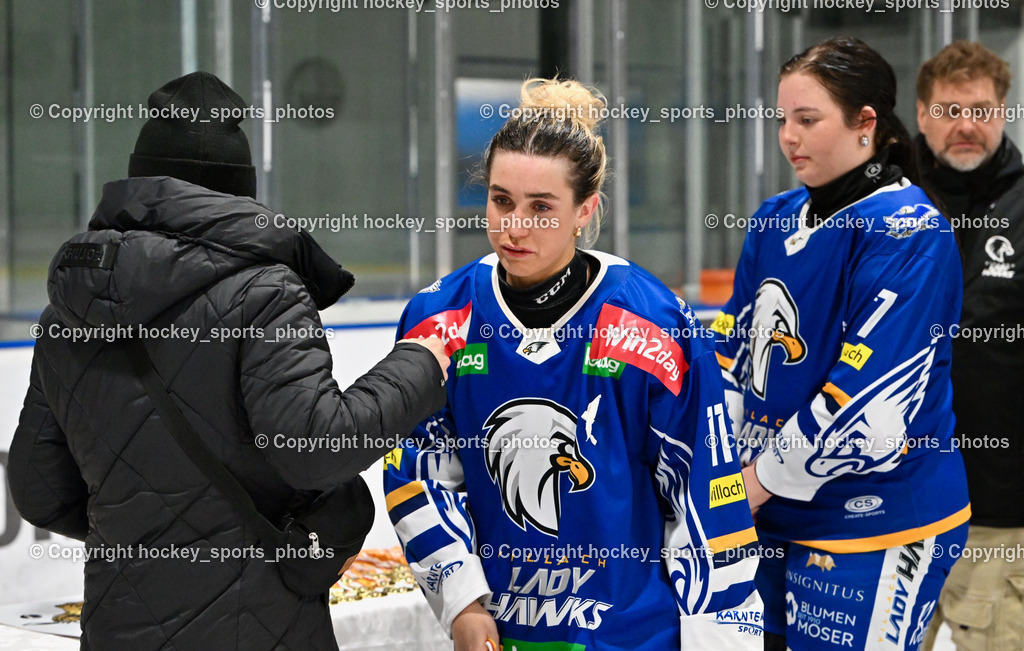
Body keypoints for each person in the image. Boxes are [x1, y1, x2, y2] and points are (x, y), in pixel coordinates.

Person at [8, 71, 449, 650]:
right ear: (239, 190)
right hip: (262, 627)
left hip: (120, 628)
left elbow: (39, 490)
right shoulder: (265, 293)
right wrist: (419, 364)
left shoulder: (70, 306)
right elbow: (316, 448)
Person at [383, 77, 763, 651]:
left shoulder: (650, 322)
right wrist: (460, 599)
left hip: (632, 637)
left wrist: (722, 640)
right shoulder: (442, 316)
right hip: (501, 632)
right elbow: (418, 470)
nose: (514, 227)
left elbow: (705, 491)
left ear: (584, 210)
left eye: (541, 207)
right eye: (501, 200)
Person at [712, 37, 971, 650]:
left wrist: (747, 485)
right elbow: (731, 354)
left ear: (865, 124)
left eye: (808, 119)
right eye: (782, 120)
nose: (789, 137)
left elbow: (870, 403)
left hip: (878, 518)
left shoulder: (908, 231)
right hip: (769, 511)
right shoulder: (775, 218)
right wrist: (712, 474)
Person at [915, 41, 1024, 651]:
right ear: (924, 114)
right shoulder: (889, 208)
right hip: (893, 500)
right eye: (950, 110)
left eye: (981, 110)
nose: (966, 126)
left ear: (1003, 111)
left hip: (1001, 510)